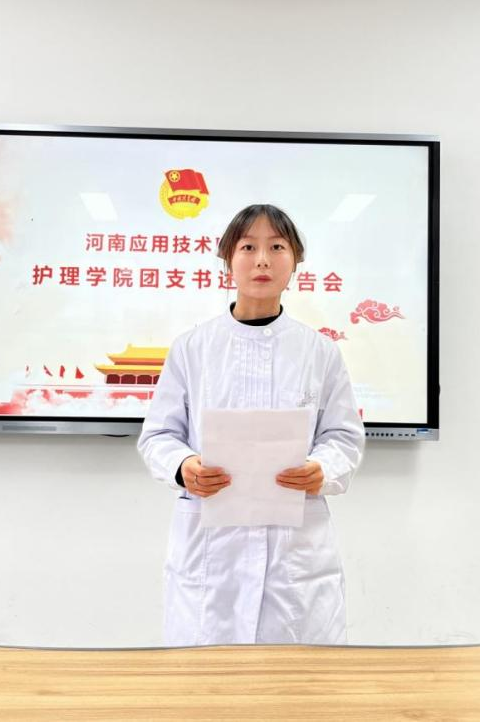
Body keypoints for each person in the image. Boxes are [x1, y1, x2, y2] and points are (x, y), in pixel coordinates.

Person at [137, 204, 365, 646]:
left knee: (297, 680)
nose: (262, 260)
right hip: (211, 552)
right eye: (248, 247)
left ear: (295, 261)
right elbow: (159, 435)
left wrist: (323, 467)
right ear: (228, 259)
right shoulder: (193, 348)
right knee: (207, 679)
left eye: (277, 247)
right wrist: (184, 466)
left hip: (295, 554)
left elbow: (342, 437)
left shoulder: (320, 352)